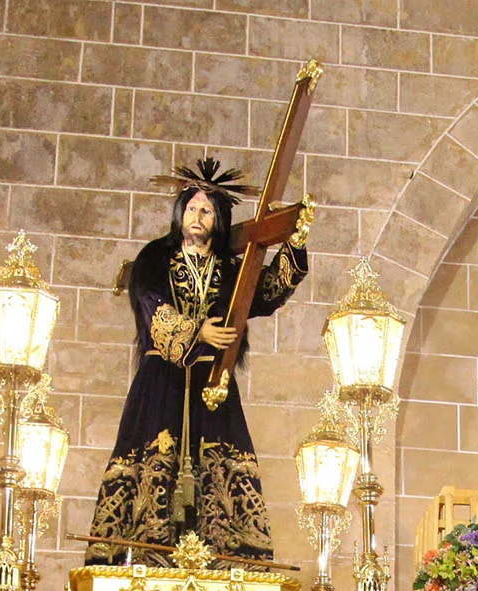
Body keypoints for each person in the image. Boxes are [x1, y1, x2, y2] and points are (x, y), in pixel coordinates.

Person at [84, 158, 309, 562]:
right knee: (151, 455)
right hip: (162, 378)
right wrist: (197, 332)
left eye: (206, 210)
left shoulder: (231, 267)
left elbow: (268, 292)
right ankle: (143, 553)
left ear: (219, 218)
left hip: (213, 383)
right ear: (180, 213)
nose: (197, 216)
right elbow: (150, 304)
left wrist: (295, 239)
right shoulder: (155, 258)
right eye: (191, 208)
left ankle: (227, 556)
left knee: (222, 461)